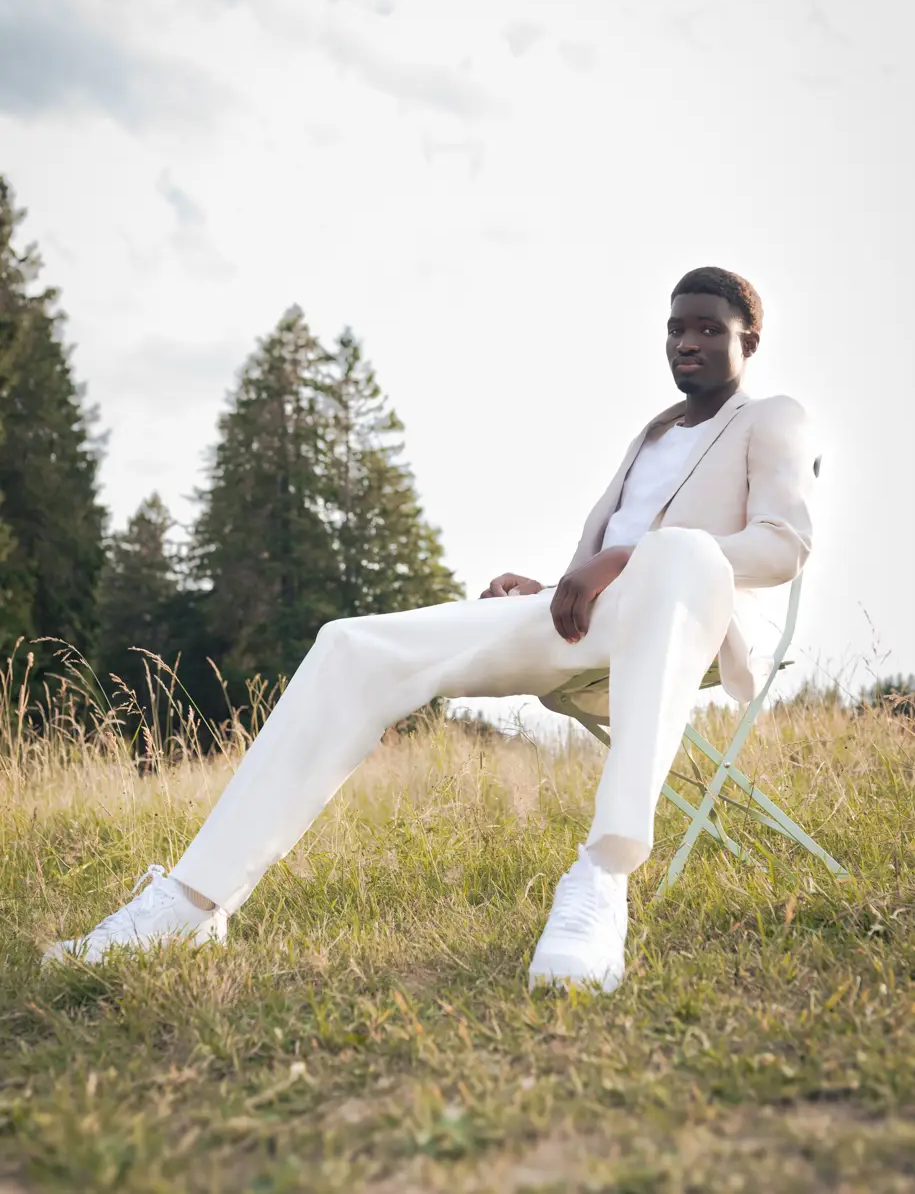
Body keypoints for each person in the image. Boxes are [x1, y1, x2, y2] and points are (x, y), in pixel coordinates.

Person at [45, 266, 814, 994]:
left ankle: (600, 879)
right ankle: (192, 902)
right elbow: (608, 562)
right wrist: (546, 587)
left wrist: (627, 556)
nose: (686, 342)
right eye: (675, 328)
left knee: (675, 552)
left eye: (709, 329)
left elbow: (782, 544)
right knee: (350, 643)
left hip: (686, 614)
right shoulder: (649, 435)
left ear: (748, 340)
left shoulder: (770, 417)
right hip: (593, 621)